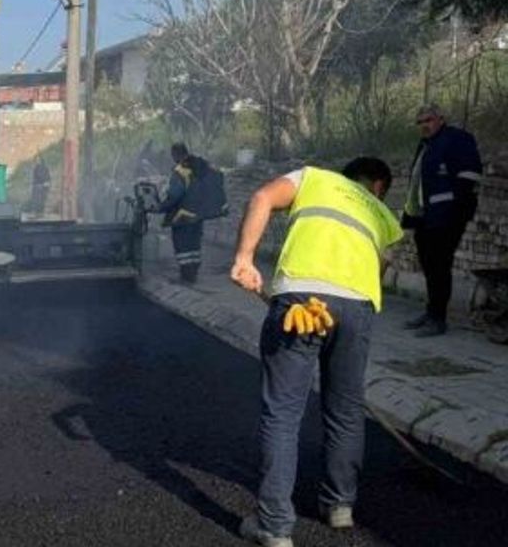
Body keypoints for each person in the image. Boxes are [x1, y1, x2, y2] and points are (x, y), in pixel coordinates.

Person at [230, 158, 403, 547]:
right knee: (345, 410)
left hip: (300, 300)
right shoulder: (382, 213)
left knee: (283, 413)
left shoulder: (313, 178)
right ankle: (340, 506)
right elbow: (378, 270)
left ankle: (274, 527)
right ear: (377, 187)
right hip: (357, 309)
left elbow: (261, 197)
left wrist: (244, 258)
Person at [403, 104, 482, 337]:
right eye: (419, 122)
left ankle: (438, 319)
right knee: (429, 265)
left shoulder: (457, 139)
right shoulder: (426, 145)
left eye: (427, 120)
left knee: (440, 266)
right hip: (424, 217)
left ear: (440, 119)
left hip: (447, 217)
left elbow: (470, 175)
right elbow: (417, 183)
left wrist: (454, 209)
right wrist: (411, 216)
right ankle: (431, 312)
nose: (423, 125)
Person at [158, 143, 226, 284]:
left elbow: (175, 195)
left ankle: (186, 277)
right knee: (194, 246)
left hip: (182, 217)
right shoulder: (200, 166)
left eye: (173, 155)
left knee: (183, 248)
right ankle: (193, 274)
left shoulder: (181, 171)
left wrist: (160, 207)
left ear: (175, 154)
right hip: (198, 215)